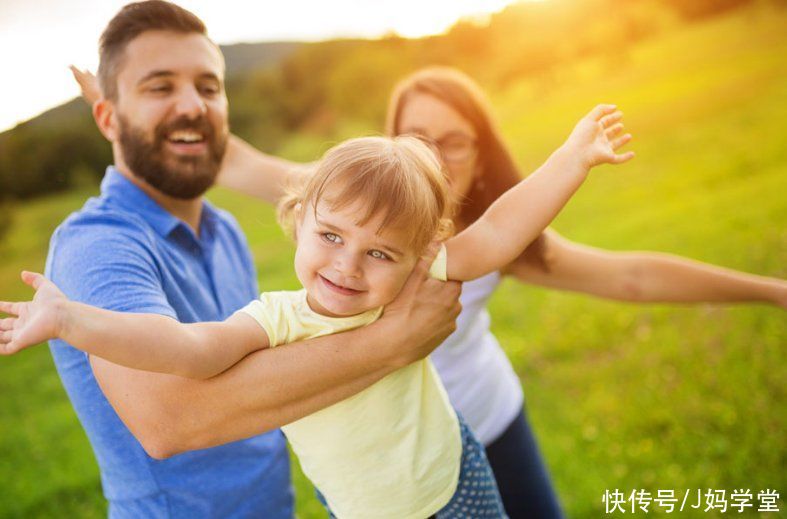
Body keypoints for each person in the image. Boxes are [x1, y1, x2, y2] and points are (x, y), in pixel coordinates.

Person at [2, 98, 636, 516]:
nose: (348, 266)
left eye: (380, 253)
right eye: (332, 237)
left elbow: (498, 232)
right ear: (301, 220)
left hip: (455, 478)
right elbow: (187, 352)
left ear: (417, 253)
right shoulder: (275, 320)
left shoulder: (415, 280)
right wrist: (70, 319)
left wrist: (573, 158)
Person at [21, 2, 466, 517]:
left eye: (208, 87)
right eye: (159, 87)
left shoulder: (223, 230)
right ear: (107, 116)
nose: (193, 106)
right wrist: (393, 341)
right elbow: (170, 419)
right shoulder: (96, 245)